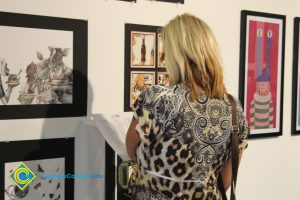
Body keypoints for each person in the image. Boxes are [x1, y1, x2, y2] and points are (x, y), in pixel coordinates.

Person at [126, 13, 250, 200]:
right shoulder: (233, 108)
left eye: (166, 50)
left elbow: (132, 149)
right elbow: (226, 179)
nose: (162, 56)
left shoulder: (155, 99)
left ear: (177, 55)